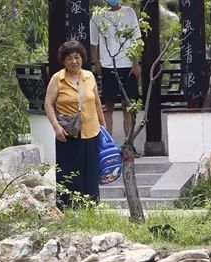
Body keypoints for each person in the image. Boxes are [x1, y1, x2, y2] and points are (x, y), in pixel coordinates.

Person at [44, 40, 106, 207]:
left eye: (77, 57)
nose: (74, 61)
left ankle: (91, 207)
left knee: (91, 172)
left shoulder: (89, 76)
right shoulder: (57, 79)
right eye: (69, 58)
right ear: (64, 61)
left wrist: (103, 126)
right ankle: (67, 208)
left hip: (91, 132)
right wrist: (56, 127)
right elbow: (48, 104)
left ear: (82, 58)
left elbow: (97, 102)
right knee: (69, 172)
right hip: (67, 133)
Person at [90, 0, 141, 139]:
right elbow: (93, 43)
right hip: (108, 65)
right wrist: (96, 62)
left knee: (128, 107)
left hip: (128, 65)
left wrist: (136, 64)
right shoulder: (97, 15)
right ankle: (109, 142)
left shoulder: (129, 12)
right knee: (108, 107)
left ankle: (129, 144)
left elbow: (137, 39)